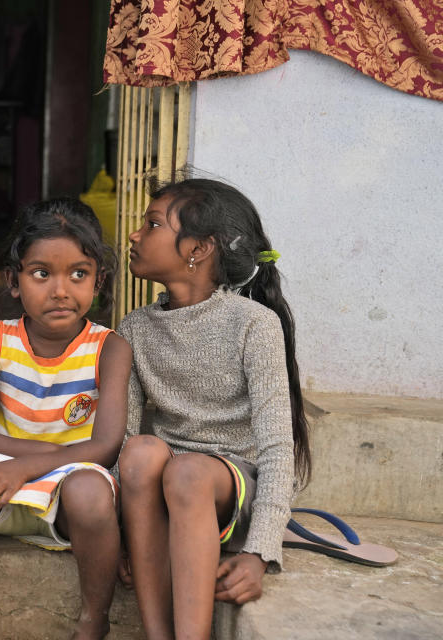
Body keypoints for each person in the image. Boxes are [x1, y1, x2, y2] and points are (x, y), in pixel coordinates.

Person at [0, 198, 132, 640]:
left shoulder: (110, 347)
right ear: (14, 281)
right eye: (42, 273)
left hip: (66, 495)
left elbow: (106, 445)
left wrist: (28, 465)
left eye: (79, 274)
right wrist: (20, 465)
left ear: (99, 281)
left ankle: (93, 619)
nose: (61, 290)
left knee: (92, 489)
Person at [115, 178, 312, 640]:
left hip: (228, 488)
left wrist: (261, 551)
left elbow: (278, 449)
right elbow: (122, 442)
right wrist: (128, 538)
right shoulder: (134, 328)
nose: (134, 234)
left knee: (188, 472)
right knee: (141, 451)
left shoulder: (253, 325)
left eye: (153, 224)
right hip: (162, 491)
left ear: (198, 249)